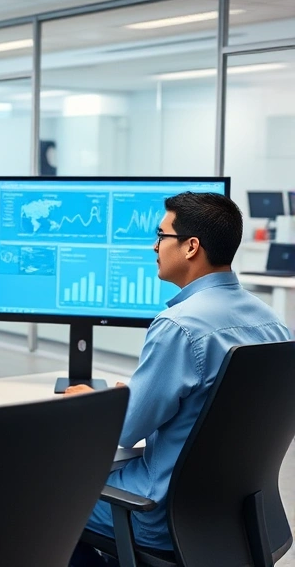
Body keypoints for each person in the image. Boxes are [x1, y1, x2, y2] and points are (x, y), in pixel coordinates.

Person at [67, 192, 291, 562]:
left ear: (191, 247)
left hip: (156, 516)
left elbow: (125, 430)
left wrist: (91, 403)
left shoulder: (179, 327)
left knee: (42, 495)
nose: (153, 246)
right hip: (236, 517)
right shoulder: (275, 324)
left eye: (161, 236)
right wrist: (139, 394)